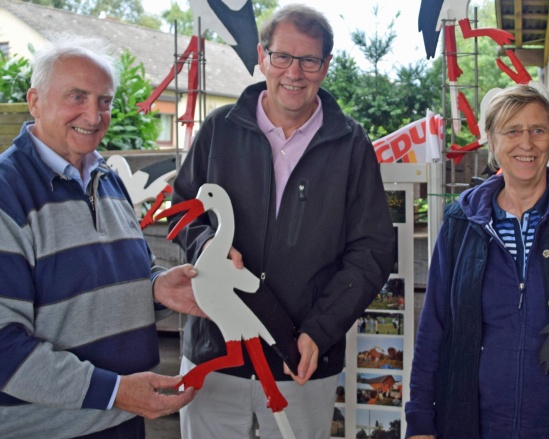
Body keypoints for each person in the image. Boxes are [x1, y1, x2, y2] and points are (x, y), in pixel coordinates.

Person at [168, 4, 395, 438]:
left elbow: (373, 250)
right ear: (261, 56)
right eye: (282, 57)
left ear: (326, 66)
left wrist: (320, 332)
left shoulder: (351, 144)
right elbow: (184, 210)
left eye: (309, 60)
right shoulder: (218, 129)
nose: (294, 72)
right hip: (216, 353)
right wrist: (208, 247)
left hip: (302, 361)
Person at [0, 35, 206, 438]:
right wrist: (113, 392)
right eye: (77, 97)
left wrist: (156, 288)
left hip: (123, 422)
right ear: (35, 101)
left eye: (105, 101)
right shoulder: (8, 194)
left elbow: (107, 280)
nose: (94, 116)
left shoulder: (107, 178)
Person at [406, 84, 549, 438]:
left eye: (538, 130)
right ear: (491, 141)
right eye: (512, 131)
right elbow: (434, 327)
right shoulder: (461, 223)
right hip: (474, 425)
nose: (527, 143)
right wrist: (419, 422)